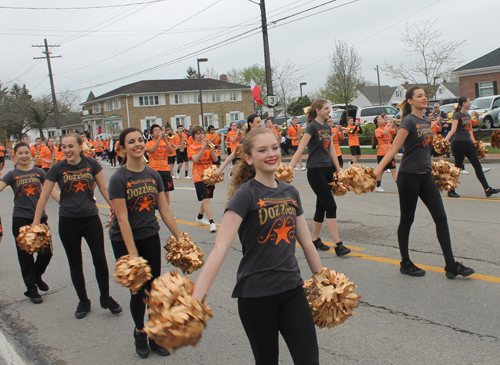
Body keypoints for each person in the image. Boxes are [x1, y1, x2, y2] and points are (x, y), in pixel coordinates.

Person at [192, 128, 323, 365]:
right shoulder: (245, 195)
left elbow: (307, 243)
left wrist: (323, 282)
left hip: (293, 290)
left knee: (309, 361)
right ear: (249, 158)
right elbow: (220, 249)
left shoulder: (291, 192)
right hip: (256, 296)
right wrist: (197, 297)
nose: (271, 153)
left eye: (274, 147)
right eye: (262, 150)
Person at [374, 87, 475, 278]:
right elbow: (395, 148)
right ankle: (405, 262)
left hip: (425, 176)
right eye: (419, 96)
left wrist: (434, 167)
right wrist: (376, 172)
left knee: (441, 217)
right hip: (409, 177)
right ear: (410, 101)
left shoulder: (426, 120)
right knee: (407, 219)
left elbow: (426, 149)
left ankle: (451, 266)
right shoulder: (408, 121)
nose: (424, 98)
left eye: (425, 95)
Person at [108, 128, 181, 358]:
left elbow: (164, 209)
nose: (138, 144)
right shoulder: (119, 179)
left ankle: (154, 335)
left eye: (140, 140)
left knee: (153, 290)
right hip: (125, 239)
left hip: (149, 235)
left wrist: (180, 238)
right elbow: (122, 219)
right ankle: (139, 332)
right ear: (122, 148)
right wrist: (132, 255)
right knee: (138, 291)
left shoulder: (153, 175)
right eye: (131, 141)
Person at [33, 133, 122, 319]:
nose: (67, 150)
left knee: (100, 260)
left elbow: (105, 190)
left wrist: (118, 213)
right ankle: (83, 301)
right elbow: (44, 195)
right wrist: (35, 223)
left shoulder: (92, 164)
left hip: (91, 219)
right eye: (64, 147)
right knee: (75, 263)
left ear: (80, 147)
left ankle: (105, 298)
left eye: (71, 146)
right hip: (68, 222)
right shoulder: (57, 168)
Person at [0, 142, 59, 304]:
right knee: (25, 257)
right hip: (21, 220)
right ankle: (32, 290)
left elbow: (51, 191)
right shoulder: (12, 175)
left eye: (26, 152)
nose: (24, 156)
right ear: (15, 157)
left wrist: (67, 204)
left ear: (31, 154)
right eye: (20, 153)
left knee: (46, 253)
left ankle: (37, 276)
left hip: (40, 220)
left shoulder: (39, 172)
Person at [290, 99, 350, 256]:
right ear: (317, 111)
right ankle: (338, 244)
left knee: (322, 206)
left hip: (328, 169)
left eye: (328, 108)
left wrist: (339, 170)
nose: (328, 111)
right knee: (331, 206)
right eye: (325, 109)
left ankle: (315, 239)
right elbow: (301, 148)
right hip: (315, 171)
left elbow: (331, 150)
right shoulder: (312, 127)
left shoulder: (326, 127)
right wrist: (289, 169)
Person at [444, 97, 499, 198]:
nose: (470, 103)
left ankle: (487, 189)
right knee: (458, 168)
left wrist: (475, 144)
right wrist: (445, 140)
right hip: (458, 143)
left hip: (468, 143)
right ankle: (451, 190)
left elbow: (468, 131)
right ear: (464, 103)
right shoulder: (458, 114)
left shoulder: (467, 115)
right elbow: (453, 130)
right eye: (469, 101)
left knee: (477, 166)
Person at [187, 126, 219, 232]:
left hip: (209, 176)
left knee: (206, 198)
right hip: (198, 176)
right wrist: (203, 147)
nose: (201, 135)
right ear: (194, 136)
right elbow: (195, 159)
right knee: (205, 199)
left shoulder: (208, 145)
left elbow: (215, 159)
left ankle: (199, 217)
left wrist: (211, 149)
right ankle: (212, 222)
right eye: (198, 133)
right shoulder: (191, 147)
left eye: (202, 133)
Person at [146, 124, 175, 205]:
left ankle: (167, 212)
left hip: (165, 170)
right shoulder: (149, 143)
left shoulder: (165, 142)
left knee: (166, 193)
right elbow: (152, 150)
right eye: (155, 130)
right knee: (155, 193)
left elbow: (171, 152)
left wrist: (165, 140)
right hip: (154, 170)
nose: (158, 132)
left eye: (159, 130)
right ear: (152, 134)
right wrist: (159, 139)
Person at [374, 115, 398, 193]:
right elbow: (386, 132)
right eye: (380, 119)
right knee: (381, 171)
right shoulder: (377, 130)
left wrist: (395, 125)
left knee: (394, 170)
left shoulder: (386, 127)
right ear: (377, 123)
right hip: (382, 153)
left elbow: (395, 132)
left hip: (390, 153)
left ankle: (399, 185)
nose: (382, 120)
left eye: (382, 119)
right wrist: (390, 125)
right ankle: (378, 185)